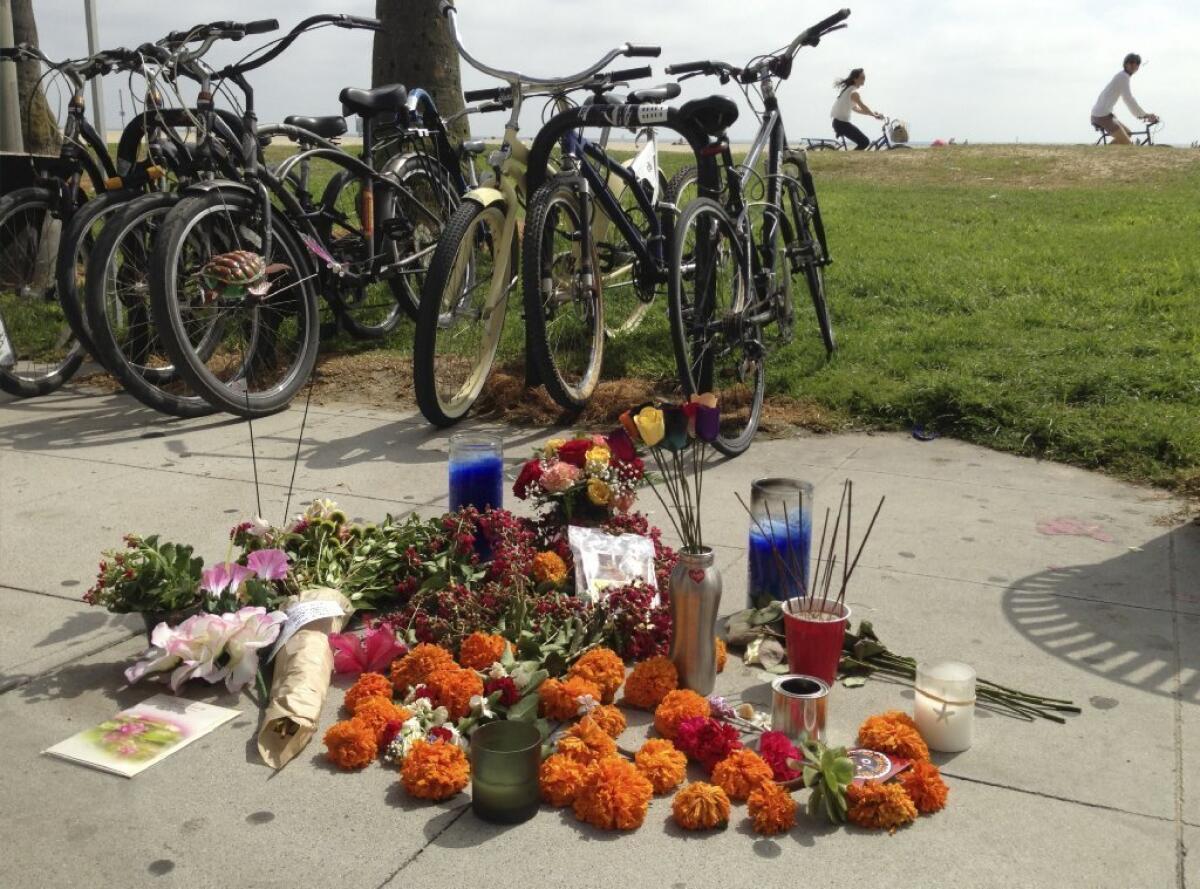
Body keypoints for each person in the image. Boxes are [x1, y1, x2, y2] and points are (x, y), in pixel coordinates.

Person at [1091, 53, 1158, 145]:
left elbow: (1128, 100)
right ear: (1125, 64)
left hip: (1105, 114)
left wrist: (1142, 115)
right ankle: (1101, 155)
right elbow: (1129, 100)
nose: (1134, 65)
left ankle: (1104, 153)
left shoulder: (1123, 76)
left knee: (1128, 134)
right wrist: (1145, 115)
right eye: (1131, 63)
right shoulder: (1123, 77)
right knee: (1128, 145)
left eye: (1137, 63)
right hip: (1102, 116)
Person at [830, 68, 883, 150]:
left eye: (864, 77)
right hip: (841, 124)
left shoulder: (849, 90)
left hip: (839, 123)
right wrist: (874, 115)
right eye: (862, 78)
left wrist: (872, 114)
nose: (864, 79)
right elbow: (863, 106)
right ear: (855, 79)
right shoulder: (854, 92)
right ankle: (850, 159)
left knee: (863, 141)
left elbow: (857, 109)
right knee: (864, 142)